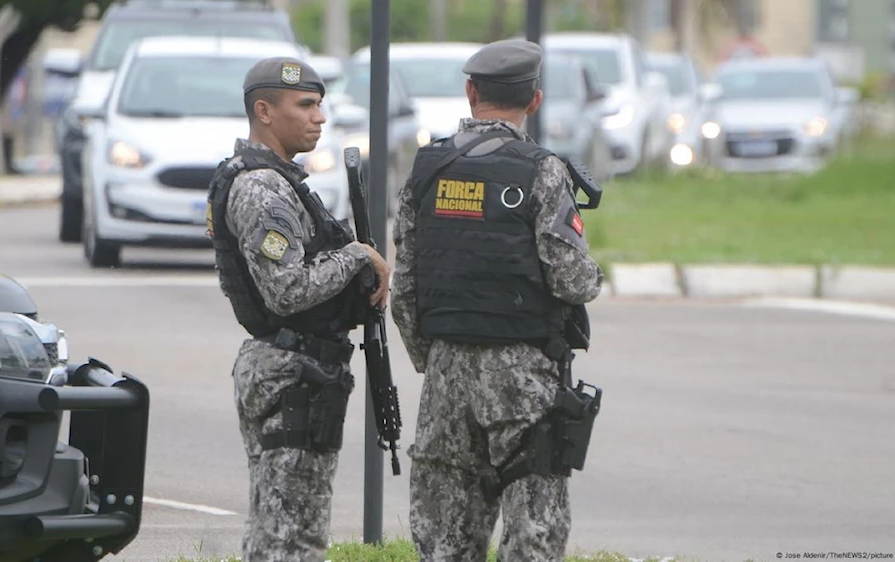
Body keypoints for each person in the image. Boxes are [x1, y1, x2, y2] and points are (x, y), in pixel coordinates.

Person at [390, 39, 605, 561]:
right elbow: (572, 279)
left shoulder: (428, 167)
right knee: (533, 536)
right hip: (523, 379)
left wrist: (435, 357)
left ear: (470, 92)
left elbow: (404, 289)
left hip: (445, 377)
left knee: (444, 541)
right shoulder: (542, 170)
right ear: (534, 100)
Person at [205, 56, 391, 561]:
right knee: (292, 539)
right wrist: (355, 255)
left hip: (299, 368)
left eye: (320, 105)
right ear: (264, 111)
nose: (320, 117)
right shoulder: (262, 188)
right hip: (291, 372)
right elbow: (285, 291)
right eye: (306, 106)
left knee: (278, 531)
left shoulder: (278, 180)